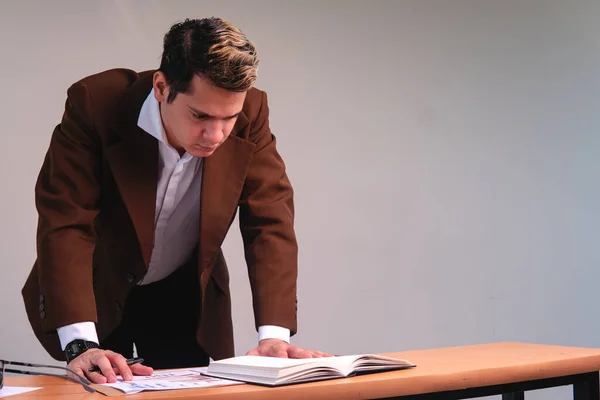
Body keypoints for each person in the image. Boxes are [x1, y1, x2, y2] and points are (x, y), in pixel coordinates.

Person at [21, 17, 329, 384]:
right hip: (96, 288)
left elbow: (270, 220)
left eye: (228, 118)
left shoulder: (251, 115)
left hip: (182, 294)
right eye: (200, 115)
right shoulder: (94, 105)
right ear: (161, 87)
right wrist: (79, 343)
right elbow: (66, 220)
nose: (215, 135)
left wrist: (274, 338)